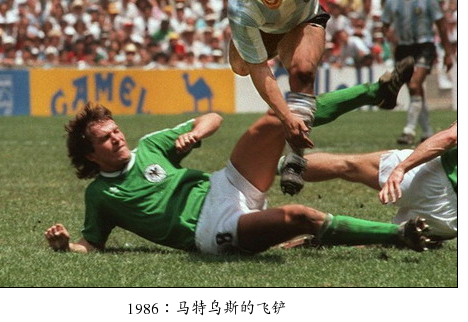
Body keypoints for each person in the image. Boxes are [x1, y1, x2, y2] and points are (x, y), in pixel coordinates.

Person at [45, 62, 433, 255]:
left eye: (115, 130)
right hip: (211, 228)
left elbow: (213, 117)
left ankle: (375, 92)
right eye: (106, 139)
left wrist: (197, 133)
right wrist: (66, 246)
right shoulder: (101, 196)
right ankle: (400, 235)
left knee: (276, 118)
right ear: (90, 155)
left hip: (225, 185)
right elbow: (91, 244)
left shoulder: (149, 145)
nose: (117, 138)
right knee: (299, 216)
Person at [227, 0, 333, 196]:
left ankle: (295, 159)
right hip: (263, 28)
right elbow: (260, 69)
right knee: (241, 66)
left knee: (303, 71)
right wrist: (286, 117)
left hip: (304, 19)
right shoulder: (240, 2)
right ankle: (244, 39)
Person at [302, 122, 457, 241]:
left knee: (348, 166)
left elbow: (450, 137)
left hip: (429, 176)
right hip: (448, 219)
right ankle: (321, 241)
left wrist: (401, 168)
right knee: (387, 238)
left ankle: (286, 168)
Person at [382, 0, 453, 146]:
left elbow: (441, 25)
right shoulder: (392, 2)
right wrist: (390, 35)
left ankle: (409, 130)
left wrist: (448, 52)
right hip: (404, 48)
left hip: (424, 46)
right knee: (416, 90)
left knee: (414, 85)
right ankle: (427, 131)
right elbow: (385, 25)